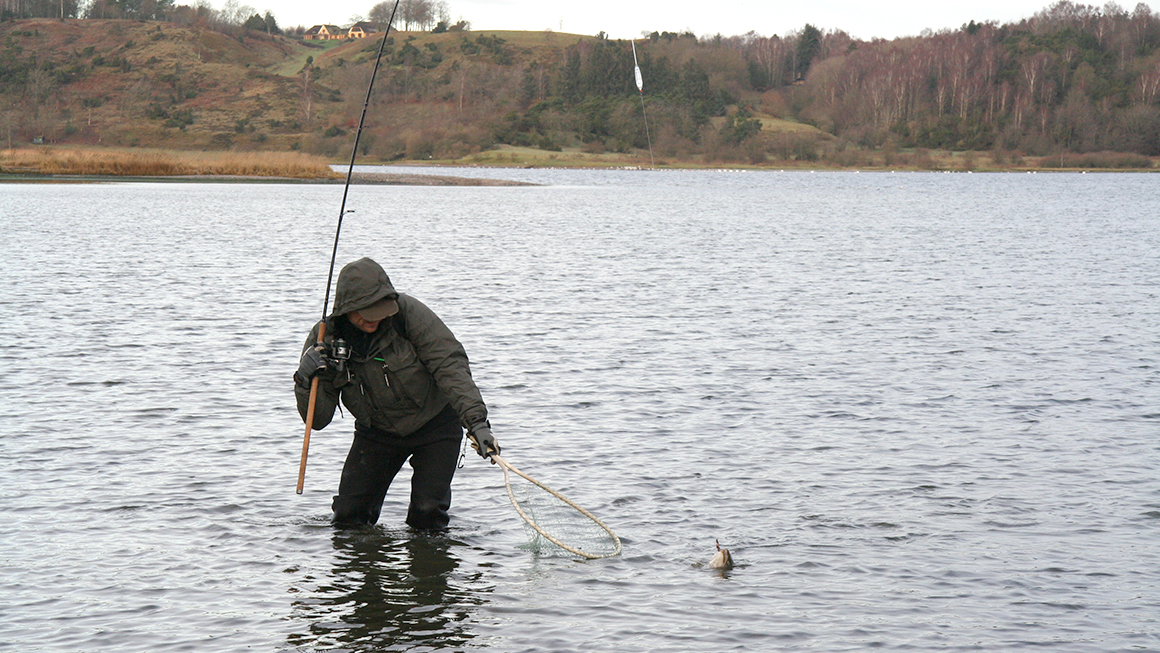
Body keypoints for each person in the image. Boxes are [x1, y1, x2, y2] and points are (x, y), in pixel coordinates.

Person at [294, 257, 499, 530]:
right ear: (347, 309)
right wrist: (304, 379)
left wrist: (477, 424)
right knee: (348, 518)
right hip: (377, 432)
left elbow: (451, 367)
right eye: (368, 312)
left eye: (381, 310)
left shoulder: (409, 315)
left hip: (436, 425)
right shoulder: (325, 341)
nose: (376, 318)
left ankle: (429, 566)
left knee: (428, 516)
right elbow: (318, 420)